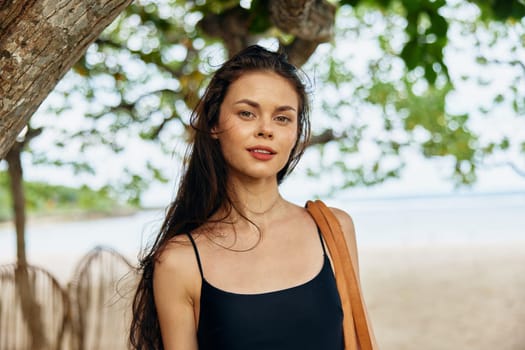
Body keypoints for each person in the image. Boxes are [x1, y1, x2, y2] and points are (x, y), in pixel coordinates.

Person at [129, 45, 370, 350]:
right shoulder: (180, 261)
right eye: (247, 113)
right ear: (214, 123)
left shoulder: (334, 229)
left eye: (282, 118)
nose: (265, 129)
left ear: (296, 131)